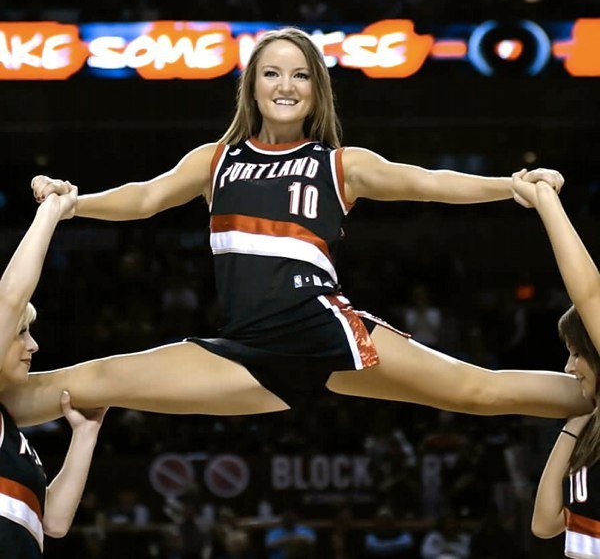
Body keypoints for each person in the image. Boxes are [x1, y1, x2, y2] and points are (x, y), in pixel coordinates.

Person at [8, 27, 591, 427]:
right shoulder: (216, 160)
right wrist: (72, 203)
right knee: (97, 379)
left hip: (325, 332)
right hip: (247, 352)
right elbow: (145, 198)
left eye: (300, 76)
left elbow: (427, 181)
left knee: (476, 391)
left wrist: (510, 187)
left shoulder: (340, 164)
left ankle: (588, 395)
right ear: (253, 86)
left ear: (317, 89)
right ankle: (7, 405)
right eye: (271, 74)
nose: (285, 86)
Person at [0, 186, 107, 557]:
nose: (34, 346)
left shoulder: (12, 434)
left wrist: (85, 434)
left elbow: (54, 523)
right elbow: (10, 297)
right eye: (21, 333)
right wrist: (51, 211)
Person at [513, 177, 600, 558]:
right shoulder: (587, 425)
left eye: (576, 353)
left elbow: (589, 293)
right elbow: (545, 524)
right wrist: (574, 425)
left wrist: (545, 199)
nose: (568, 366)